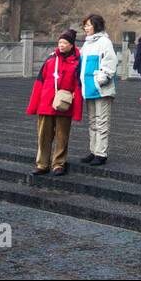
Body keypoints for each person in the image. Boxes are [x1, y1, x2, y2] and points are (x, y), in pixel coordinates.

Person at [26, 29, 84, 176]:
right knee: (43, 136)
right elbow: (39, 82)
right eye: (60, 42)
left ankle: (58, 164)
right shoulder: (50, 59)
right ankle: (42, 164)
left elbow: (78, 86)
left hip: (64, 104)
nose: (61, 45)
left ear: (71, 45)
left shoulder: (77, 62)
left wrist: (77, 111)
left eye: (65, 43)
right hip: (45, 103)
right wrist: (34, 105)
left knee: (62, 136)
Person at [79, 14, 118, 166]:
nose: (86, 28)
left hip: (101, 90)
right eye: (85, 25)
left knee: (102, 122)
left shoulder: (104, 42)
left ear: (96, 26)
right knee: (92, 122)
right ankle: (94, 150)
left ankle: (101, 153)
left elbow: (110, 63)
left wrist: (99, 81)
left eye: (88, 25)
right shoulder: (87, 43)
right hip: (88, 90)